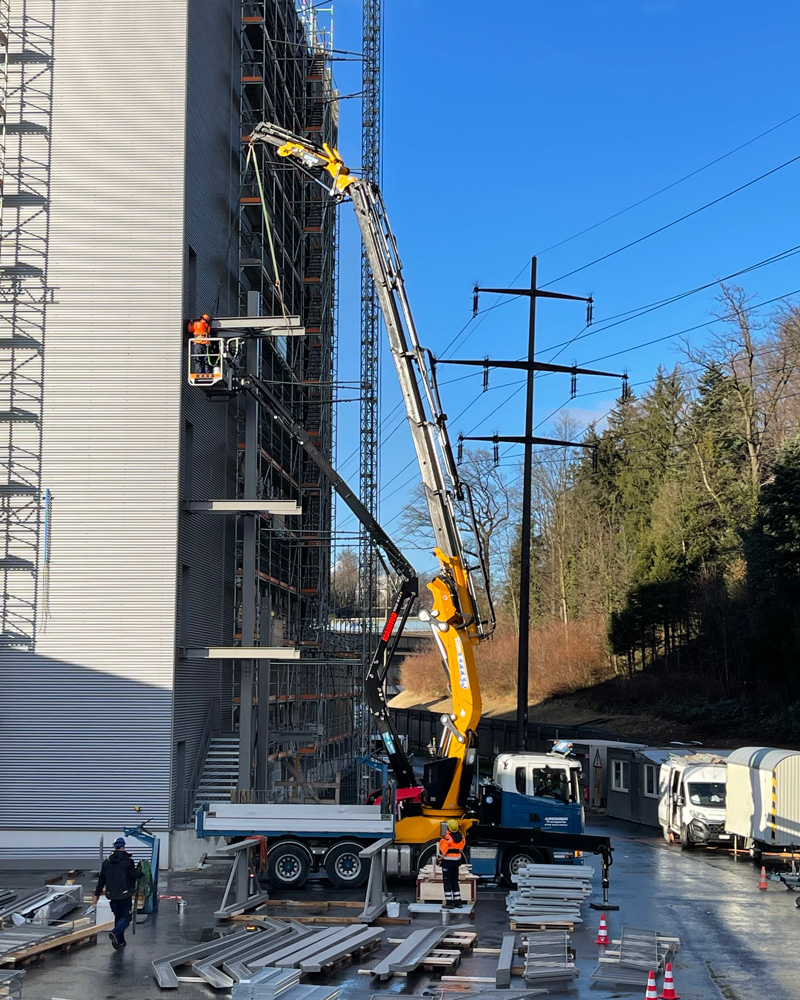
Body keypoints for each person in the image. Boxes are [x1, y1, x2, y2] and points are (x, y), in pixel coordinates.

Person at [93, 837, 139, 950]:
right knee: (126, 918)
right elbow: (133, 875)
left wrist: (97, 895)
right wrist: (141, 870)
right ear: (123, 847)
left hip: (112, 895)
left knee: (118, 918)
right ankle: (115, 933)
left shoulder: (107, 862)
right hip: (124, 894)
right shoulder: (128, 861)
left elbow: (101, 880)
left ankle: (120, 941)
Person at [438, 819, 466, 909]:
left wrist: (439, 858)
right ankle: (458, 902)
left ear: (448, 828)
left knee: (447, 882)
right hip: (456, 863)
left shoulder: (446, 839)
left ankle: (449, 903)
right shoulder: (462, 837)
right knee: (455, 881)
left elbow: (442, 852)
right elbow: (461, 849)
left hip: (447, 863)